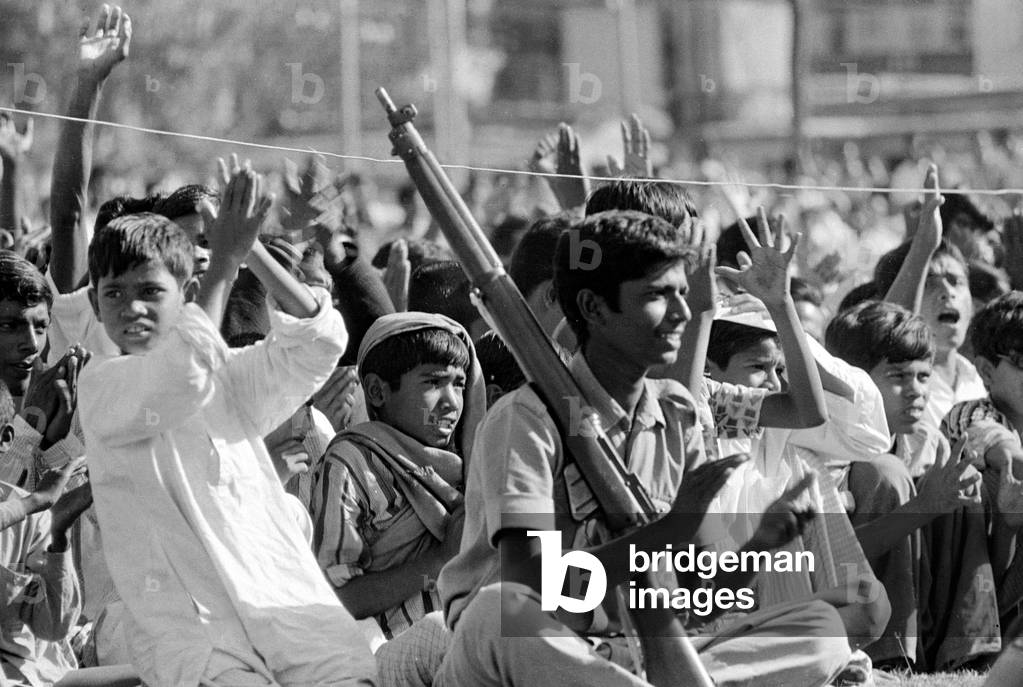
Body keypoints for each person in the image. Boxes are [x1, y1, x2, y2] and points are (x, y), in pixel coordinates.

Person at [432, 210, 851, 687]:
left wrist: (759, 545)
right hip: (533, 654)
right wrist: (668, 532)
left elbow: (697, 598)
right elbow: (537, 585)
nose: (681, 313)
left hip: (632, 657)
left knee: (822, 632)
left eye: (681, 293)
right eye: (657, 295)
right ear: (593, 308)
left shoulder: (677, 413)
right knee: (497, 611)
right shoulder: (524, 419)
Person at [77, 162, 376, 686]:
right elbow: (183, 374)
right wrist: (227, 262)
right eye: (114, 294)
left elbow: (317, 343)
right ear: (95, 306)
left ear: (188, 292)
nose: (132, 308)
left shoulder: (224, 378)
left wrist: (250, 248)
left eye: (151, 291)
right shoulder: (102, 386)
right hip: (192, 639)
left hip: (280, 609)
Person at [826, 300, 997, 670]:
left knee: (964, 482)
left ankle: (966, 648)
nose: (916, 390)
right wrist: (923, 506)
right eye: (898, 376)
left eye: (923, 376)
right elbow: (831, 560)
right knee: (885, 472)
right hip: (842, 607)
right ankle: (890, 654)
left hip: (925, 604)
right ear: (853, 380)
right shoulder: (828, 449)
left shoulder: (925, 441)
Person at [311, 312, 484, 640]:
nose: (451, 402)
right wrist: (440, 561)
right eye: (433, 382)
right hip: (391, 656)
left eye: (459, 385)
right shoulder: (354, 461)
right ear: (377, 391)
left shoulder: (478, 468)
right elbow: (338, 598)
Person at [942, 291, 1023, 644]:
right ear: (987, 371)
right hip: (969, 583)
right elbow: (989, 439)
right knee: (992, 478)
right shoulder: (969, 412)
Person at [0, 379, 93, 686]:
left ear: (4, 439)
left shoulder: (31, 520)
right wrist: (33, 502)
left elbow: (53, 627)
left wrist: (59, 534)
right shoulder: (28, 507)